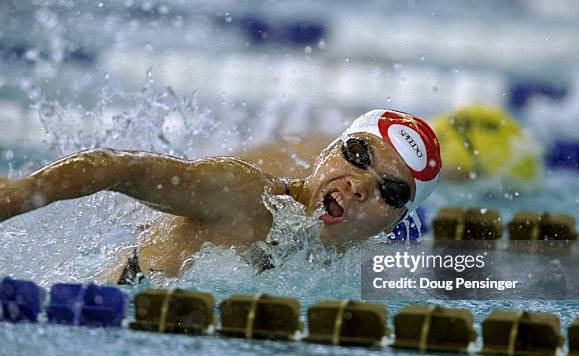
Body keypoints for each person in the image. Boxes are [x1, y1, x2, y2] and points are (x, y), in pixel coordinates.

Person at [0, 109, 442, 282]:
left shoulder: (347, 271)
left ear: (396, 221)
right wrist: (20, 195)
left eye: (391, 190)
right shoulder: (243, 195)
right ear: (328, 151)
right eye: (357, 154)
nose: (361, 184)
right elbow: (119, 166)